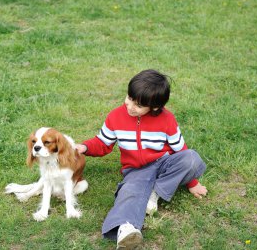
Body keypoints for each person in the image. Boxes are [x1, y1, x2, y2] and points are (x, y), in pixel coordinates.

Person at [76, 69, 208, 249]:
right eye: (129, 98)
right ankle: (126, 230)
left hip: (164, 163)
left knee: (191, 158)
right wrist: (84, 147)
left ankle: (155, 193)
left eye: (137, 105)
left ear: (154, 107)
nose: (130, 106)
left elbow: (180, 150)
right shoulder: (115, 116)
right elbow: (102, 143)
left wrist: (192, 183)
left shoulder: (167, 119)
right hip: (136, 170)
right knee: (129, 192)